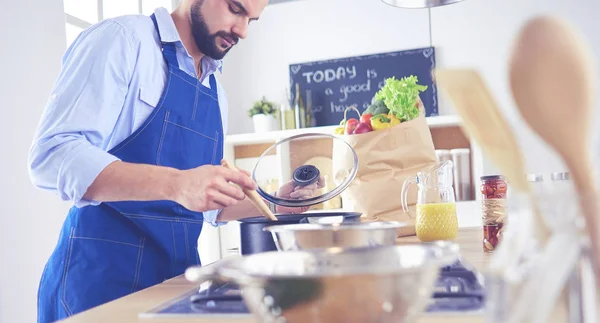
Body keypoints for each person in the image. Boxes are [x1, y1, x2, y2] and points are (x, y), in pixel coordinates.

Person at [27, 1, 323, 322]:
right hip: (98, 290)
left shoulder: (215, 92)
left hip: (173, 291)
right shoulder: (123, 41)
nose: (242, 31)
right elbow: (53, 155)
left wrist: (278, 203)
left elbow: (208, 205)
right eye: (235, 9)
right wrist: (177, 184)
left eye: (251, 19)